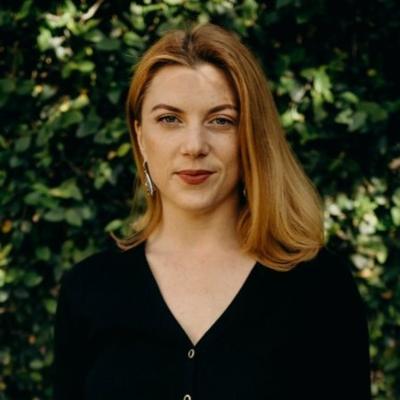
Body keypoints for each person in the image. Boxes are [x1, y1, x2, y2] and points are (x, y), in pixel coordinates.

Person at [53, 22, 372, 399]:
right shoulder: (88, 290)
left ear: (251, 135)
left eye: (221, 120)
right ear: (140, 136)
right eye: (169, 119)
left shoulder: (320, 288)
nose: (194, 145)